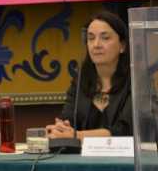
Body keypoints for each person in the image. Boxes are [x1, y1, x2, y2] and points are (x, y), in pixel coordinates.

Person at [46, 11, 133, 140]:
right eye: (91, 38)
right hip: (83, 153)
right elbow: (68, 118)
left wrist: (78, 136)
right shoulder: (81, 80)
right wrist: (61, 128)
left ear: (122, 46)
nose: (96, 45)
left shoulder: (137, 81)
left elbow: (125, 131)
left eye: (105, 38)